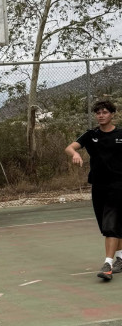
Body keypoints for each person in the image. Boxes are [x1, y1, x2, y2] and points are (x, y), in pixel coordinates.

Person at [65, 99, 122, 282]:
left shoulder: (121, 134)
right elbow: (70, 147)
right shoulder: (91, 135)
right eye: (98, 113)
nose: (101, 115)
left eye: (105, 112)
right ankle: (121, 258)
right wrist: (75, 153)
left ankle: (108, 265)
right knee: (108, 224)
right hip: (98, 186)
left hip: (118, 185)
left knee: (110, 224)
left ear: (112, 114)